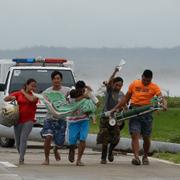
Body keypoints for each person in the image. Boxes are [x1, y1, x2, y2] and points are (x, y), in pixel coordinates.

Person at [111, 69, 167, 165]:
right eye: (144, 80)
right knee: (134, 135)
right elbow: (126, 98)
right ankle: (136, 157)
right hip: (134, 111)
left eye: (148, 81)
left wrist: (164, 105)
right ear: (142, 76)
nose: (145, 82)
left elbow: (161, 98)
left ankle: (145, 155)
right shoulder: (134, 84)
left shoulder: (154, 87)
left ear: (151, 79)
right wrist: (115, 108)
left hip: (147, 113)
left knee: (146, 137)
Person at [4, 78, 38, 165]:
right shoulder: (18, 93)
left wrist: (23, 92)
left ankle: (21, 158)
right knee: (18, 141)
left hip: (29, 120)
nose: (33, 88)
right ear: (27, 85)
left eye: (35, 86)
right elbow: (6, 99)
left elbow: (31, 100)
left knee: (23, 138)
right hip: (17, 120)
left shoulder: (35, 95)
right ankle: (21, 154)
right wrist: (11, 97)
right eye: (32, 85)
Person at [96, 66, 125, 164]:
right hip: (105, 117)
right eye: (116, 85)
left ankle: (111, 151)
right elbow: (109, 82)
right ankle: (103, 158)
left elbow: (123, 105)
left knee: (116, 138)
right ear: (113, 84)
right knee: (105, 137)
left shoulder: (121, 94)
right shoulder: (109, 90)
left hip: (115, 118)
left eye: (120, 85)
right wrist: (114, 72)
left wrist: (121, 109)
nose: (118, 87)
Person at [41, 71, 70, 165]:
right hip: (49, 118)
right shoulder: (47, 92)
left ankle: (56, 149)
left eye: (58, 78)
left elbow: (73, 99)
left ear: (61, 80)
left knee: (60, 142)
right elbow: (46, 104)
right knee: (48, 137)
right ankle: (46, 159)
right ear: (52, 80)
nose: (56, 80)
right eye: (55, 79)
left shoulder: (67, 90)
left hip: (62, 119)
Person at [67, 88, 96, 166]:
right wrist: (84, 96)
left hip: (84, 121)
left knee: (82, 139)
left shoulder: (86, 100)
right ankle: (72, 149)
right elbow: (71, 99)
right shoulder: (71, 99)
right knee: (72, 140)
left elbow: (91, 109)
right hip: (73, 122)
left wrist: (93, 118)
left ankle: (79, 160)